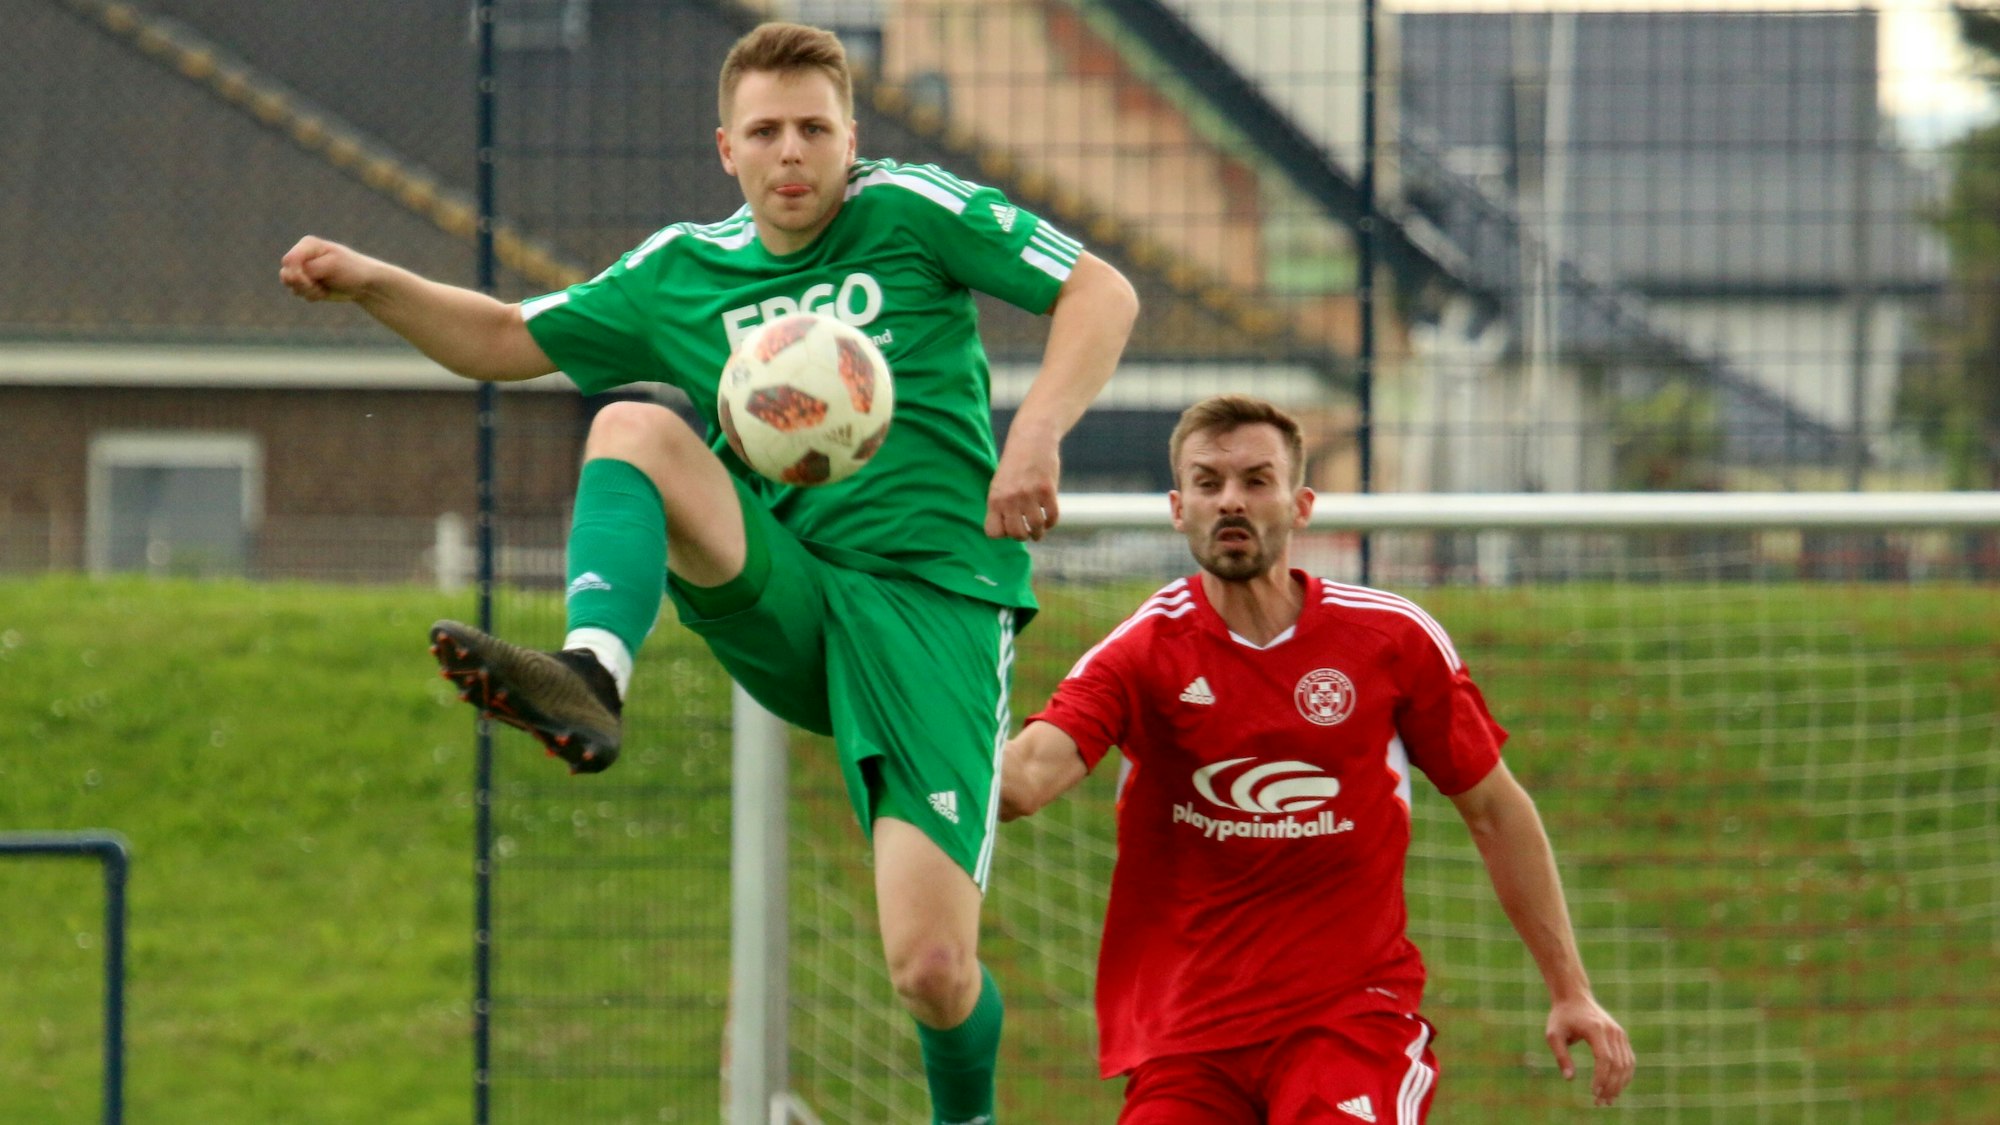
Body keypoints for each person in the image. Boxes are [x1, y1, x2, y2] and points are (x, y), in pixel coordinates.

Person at [280, 22, 1138, 1125]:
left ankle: (962, 1117)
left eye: (814, 130)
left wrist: (1034, 439)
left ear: (850, 139)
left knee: (929, 968)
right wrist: (367, 281)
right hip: (788, 588)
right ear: (724, 147)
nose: (793, 153)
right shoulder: (679, 270)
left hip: (936, 606)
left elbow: (1099, 292)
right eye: (767, 131)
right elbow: (501, 337)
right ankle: (591, 672)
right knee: (634, 427)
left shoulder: (910, 212)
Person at [999, 396, 1633, 1123]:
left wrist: (1570, 988)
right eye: (1208, 483)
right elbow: (1024, 781)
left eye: (1256, 480)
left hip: (1349, 1017)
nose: (1231, 499)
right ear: (1178, 508)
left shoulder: (1391, 638)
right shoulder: (1141, 652)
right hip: (1187, 1037)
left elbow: (1494, 808)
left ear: (1301, 504)